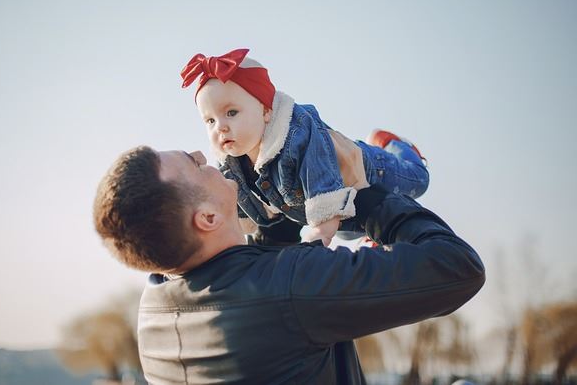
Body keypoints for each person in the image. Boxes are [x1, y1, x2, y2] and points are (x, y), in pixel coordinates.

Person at [93, 146, 485, 385]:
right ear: (207, 219)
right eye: (194, 165)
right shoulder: (290, 290)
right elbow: (457, 267)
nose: (202, 155)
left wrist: (277, 201)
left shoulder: (156, 304)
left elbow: (249, 283)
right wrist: (365, 192)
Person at [181, 48, 430, 246]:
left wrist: (319, 232)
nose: (220, 127)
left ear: (266, 111)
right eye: (210, 120)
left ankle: (396, 145)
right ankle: (373, 236)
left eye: (231, 113)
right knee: (346, 231)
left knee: (418, 180)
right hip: (336, 208)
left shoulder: (297, 133)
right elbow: (237, 210)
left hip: (371, 168)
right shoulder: (230, 166)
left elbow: (321, 184)